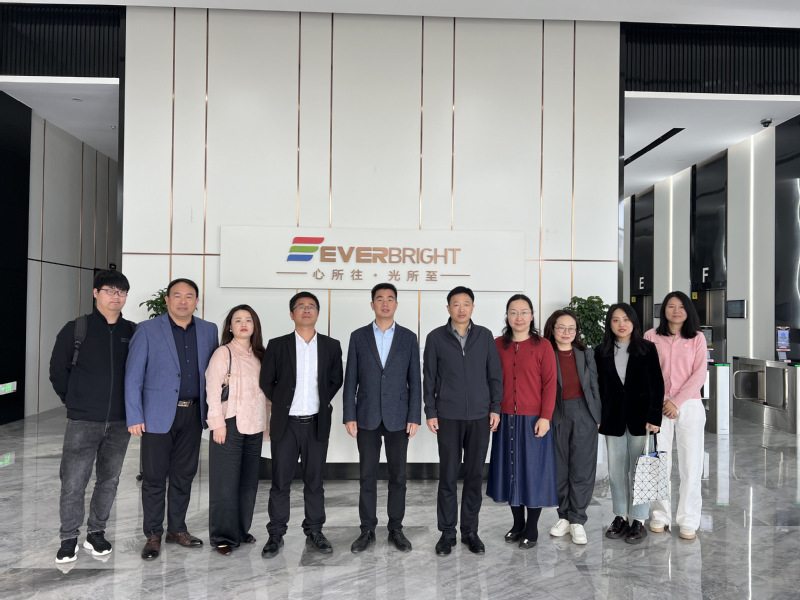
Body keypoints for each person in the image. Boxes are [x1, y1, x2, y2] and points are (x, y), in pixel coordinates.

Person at [125, 278, 218, 560]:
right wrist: (134, 415)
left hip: (193, 413)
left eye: (189, 296)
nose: (183, 301)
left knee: (184, 474)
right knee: (154, 477)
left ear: (197, 301)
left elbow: (214, 375)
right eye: (177, 295)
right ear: (167, 300)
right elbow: (133, 376)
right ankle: (153, 534)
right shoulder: (147, 330)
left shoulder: (209, 330)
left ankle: (177, 529)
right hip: (156, 414)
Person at [49, 270, 136, 564]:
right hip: (83, 421)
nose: (116, 297)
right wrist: (74, 402)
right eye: (110, 290)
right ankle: (68, 537)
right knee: (73, 482)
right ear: (96, 293)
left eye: (121, 292)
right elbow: (58, 371)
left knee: (109, 480)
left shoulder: (132, 331)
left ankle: (96, 533)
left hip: (120, 421)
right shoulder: (76, 329)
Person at [259, 292, 343, 558]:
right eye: (301, 306)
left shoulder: (331, 345)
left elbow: (336, 379)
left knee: (315, 481)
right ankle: (276, 533)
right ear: (291, 313)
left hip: (316, 423)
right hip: (286, 424)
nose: (306, 310)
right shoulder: (277, 345)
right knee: (280, 482)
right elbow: (266, 381)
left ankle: (315, 531)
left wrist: (323, 400)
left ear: (317, 313)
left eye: (311, 306)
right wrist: (282, 402)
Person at [343, 283, 422, 553]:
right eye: (380, 299)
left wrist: (414, 415)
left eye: (390, 299)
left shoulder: (408, 337)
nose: (385, 303)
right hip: (366, 416)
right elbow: (351, 379)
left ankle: (395, 528)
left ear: (396, 304)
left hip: (399, 417)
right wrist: (349, 415)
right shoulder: (358, 336)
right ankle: (367, 529)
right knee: (367, 475)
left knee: (398, 476)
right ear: (372, 304)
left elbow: (415, 380)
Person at [423, 286, 502, 556]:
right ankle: (447, 533)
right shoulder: (435, 337)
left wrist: (495, 408)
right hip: (448, 416)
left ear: (472, 307)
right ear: (448, 308)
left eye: (466, 303)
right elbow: (429, 378)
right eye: (455, 304)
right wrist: (430, 411)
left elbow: (494, 375)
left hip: (480, 416)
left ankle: (470, 531)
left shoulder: (485, 336)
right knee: (447, 475)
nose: (461, 308)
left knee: (474, 475)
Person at [487, 295, 557, 549]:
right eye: (513, 312)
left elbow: (550, 384)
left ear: (532, 316)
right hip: (505, 418)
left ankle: (532, 527)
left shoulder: (543, 345)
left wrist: (546, 417)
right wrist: (493, 410)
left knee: (533, 473)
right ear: (507, 316)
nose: (519, 317)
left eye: (524, 312)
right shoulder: (497, 345)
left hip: (534, 420)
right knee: (511, 472)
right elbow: (490, 381)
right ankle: (517, 524)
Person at [595, 303, 664, 544]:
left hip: (642, 420)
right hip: (612, 418)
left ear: (634, 322)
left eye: (626, 319)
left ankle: (639, 519)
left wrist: (655, 417)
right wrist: (598, 417)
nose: (621, 324)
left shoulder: (647, 349)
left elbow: (657, 384)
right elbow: (599, 388)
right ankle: (621, 516)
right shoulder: (601, 351)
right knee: (616, 472)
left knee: (641, 470)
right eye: (615, 320)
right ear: (609, 324)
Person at [645, 291, 708, 540]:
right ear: (664, 310)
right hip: (658, 406)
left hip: (689, 405)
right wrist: (661, 401)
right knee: (658, 461)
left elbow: (699, 374)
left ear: (688, 311)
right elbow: (646, 372)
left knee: (691, 464)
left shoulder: (697, 338)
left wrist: (676, 402)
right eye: (671, 306)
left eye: (681, 306)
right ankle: (660, 515)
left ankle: (689, 519)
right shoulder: (651, 336)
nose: (676, 311)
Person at [206, 305, 269, 555]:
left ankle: (241, 530)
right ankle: (223, 536)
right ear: (230, 327)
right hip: (229, 424)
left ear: (255, 326)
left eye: (248, 320)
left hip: (254, 424)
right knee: (225, 483)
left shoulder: (261, 355)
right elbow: (212, 390)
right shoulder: (223, 353)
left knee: (248, 482)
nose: (243, 324)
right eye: (238, 320)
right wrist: (217, 424)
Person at [542, 308, 601, 545]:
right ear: (552, 329)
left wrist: (597, 415)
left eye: (571, 328)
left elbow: (594, 386)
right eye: (561, 328)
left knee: (582, 468)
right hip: (555, 413)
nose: (566, 332)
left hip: (584, 412)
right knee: (559, 468)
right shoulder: (546, 353)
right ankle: (564, 516)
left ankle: (577, 519)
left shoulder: (586, 354)